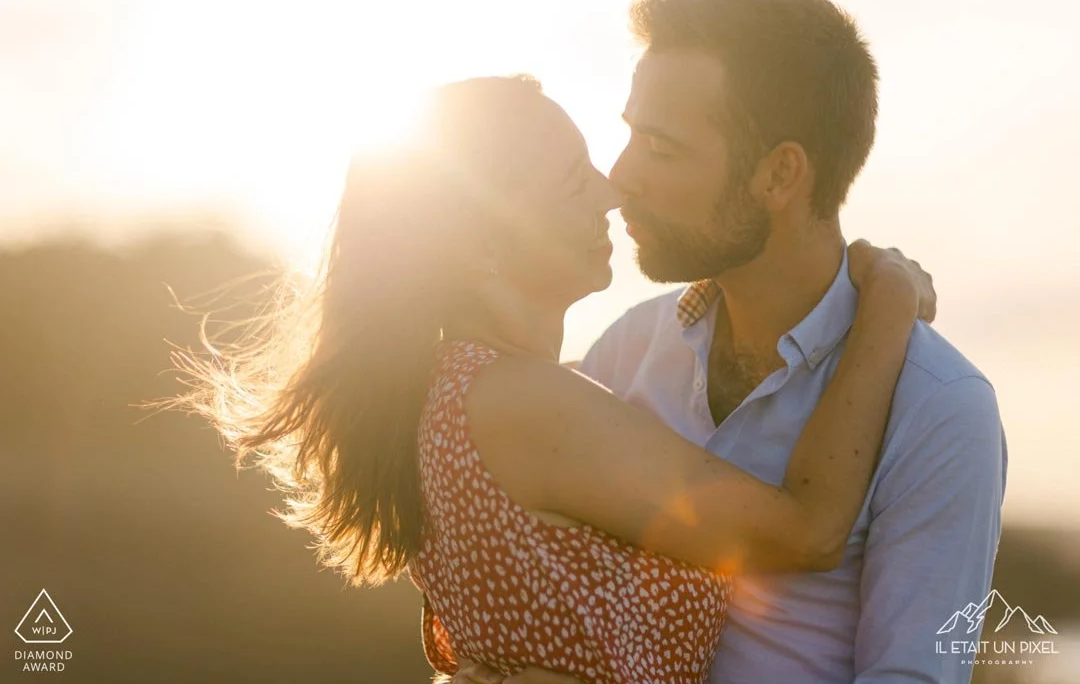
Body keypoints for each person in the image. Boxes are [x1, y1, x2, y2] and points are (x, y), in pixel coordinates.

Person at [172, 71, 935, 684]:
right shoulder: (518, 402)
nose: (611, 191)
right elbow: (805, 533)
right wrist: (888, 304)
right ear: (482, 253)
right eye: (574, 181)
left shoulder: (464, 394)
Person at [453, 0, 1007, 684]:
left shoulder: (940, 406)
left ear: (779, 174)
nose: (621, 178)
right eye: (630, 134)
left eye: (660, 146)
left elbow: (914, 675)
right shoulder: (627, 352)